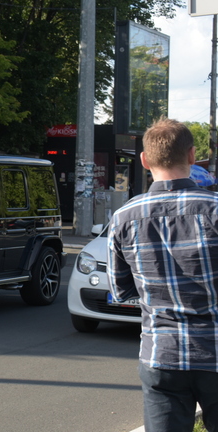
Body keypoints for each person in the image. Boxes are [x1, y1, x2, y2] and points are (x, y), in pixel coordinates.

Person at [107, 118, 218, 432]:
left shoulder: (124, 218)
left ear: (144, 160)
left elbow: (120, 290)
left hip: (162, 355)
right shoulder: (215, 209)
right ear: (192, 156)